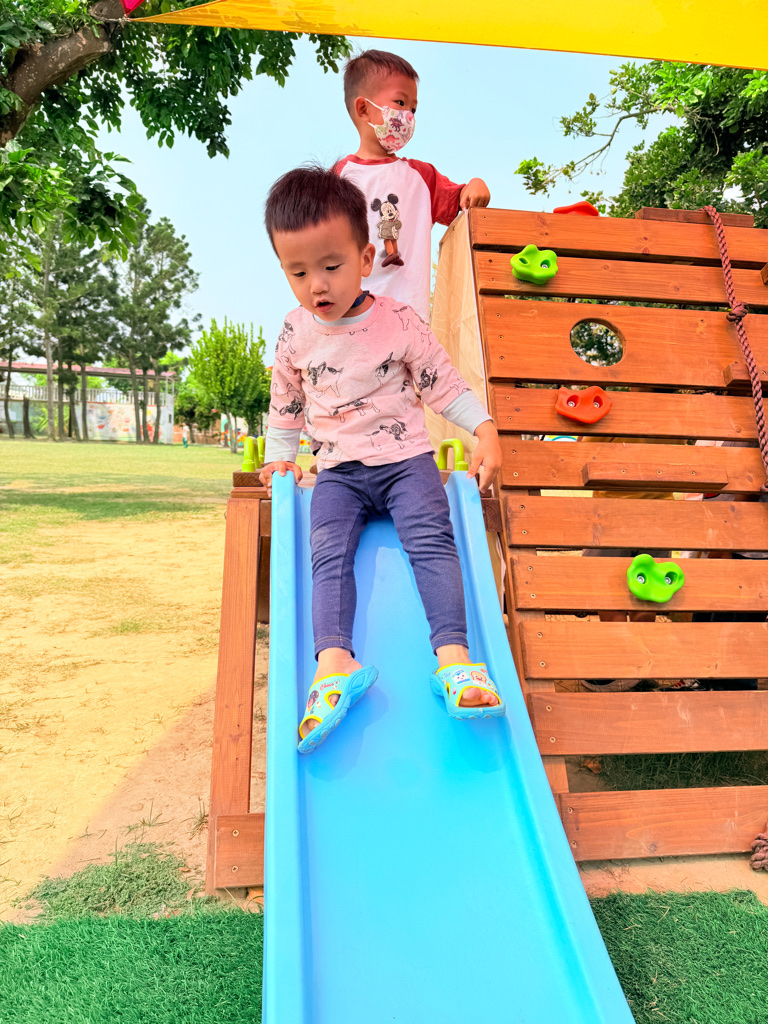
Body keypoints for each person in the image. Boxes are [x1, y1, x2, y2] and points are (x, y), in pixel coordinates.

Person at [259, 165, 505, 753]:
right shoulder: (295, 333)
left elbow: (443, 383)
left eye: (331, 266)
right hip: (338, 472)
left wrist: (484, 428)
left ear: (366, 258)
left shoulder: (398, 322)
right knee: (326, 554)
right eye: (298, 272)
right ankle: (334, 664)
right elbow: (285, 403)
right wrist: (280, 459)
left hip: (405, 464)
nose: (316, 285)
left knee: (433, 540)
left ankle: (455, 660)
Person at [334, 49, 491, 323]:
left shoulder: (422, 178)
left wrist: (476, 185)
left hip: (409, 323)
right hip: (350, 319)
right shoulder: (338, 178)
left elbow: (461, 200)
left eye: (413, 108)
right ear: (363, 108)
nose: (407, 115)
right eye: (400, 102)